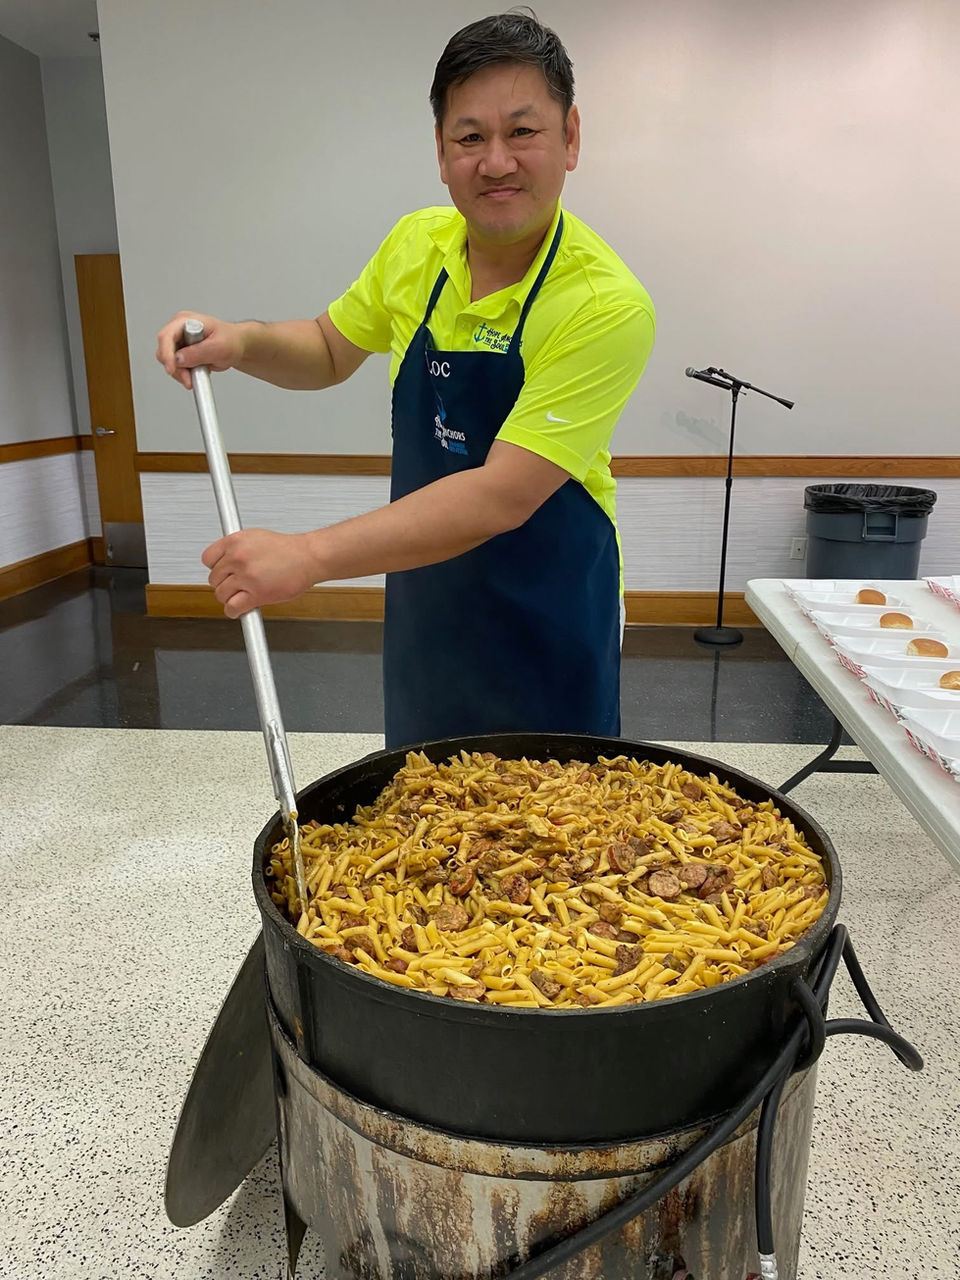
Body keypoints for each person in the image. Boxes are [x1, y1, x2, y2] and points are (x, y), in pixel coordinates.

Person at [156, 11, 655, 750]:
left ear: (570, 137)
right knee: (422, 827)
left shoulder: (604, 304)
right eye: (470, 136)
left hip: (548, 614)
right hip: (428, 598)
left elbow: (501, 495)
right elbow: (328, 348)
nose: (496, 162)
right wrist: (242, 341)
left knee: (553, 838)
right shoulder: (416, 244)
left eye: (522, 132)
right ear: (441, 149)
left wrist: (307, 556)